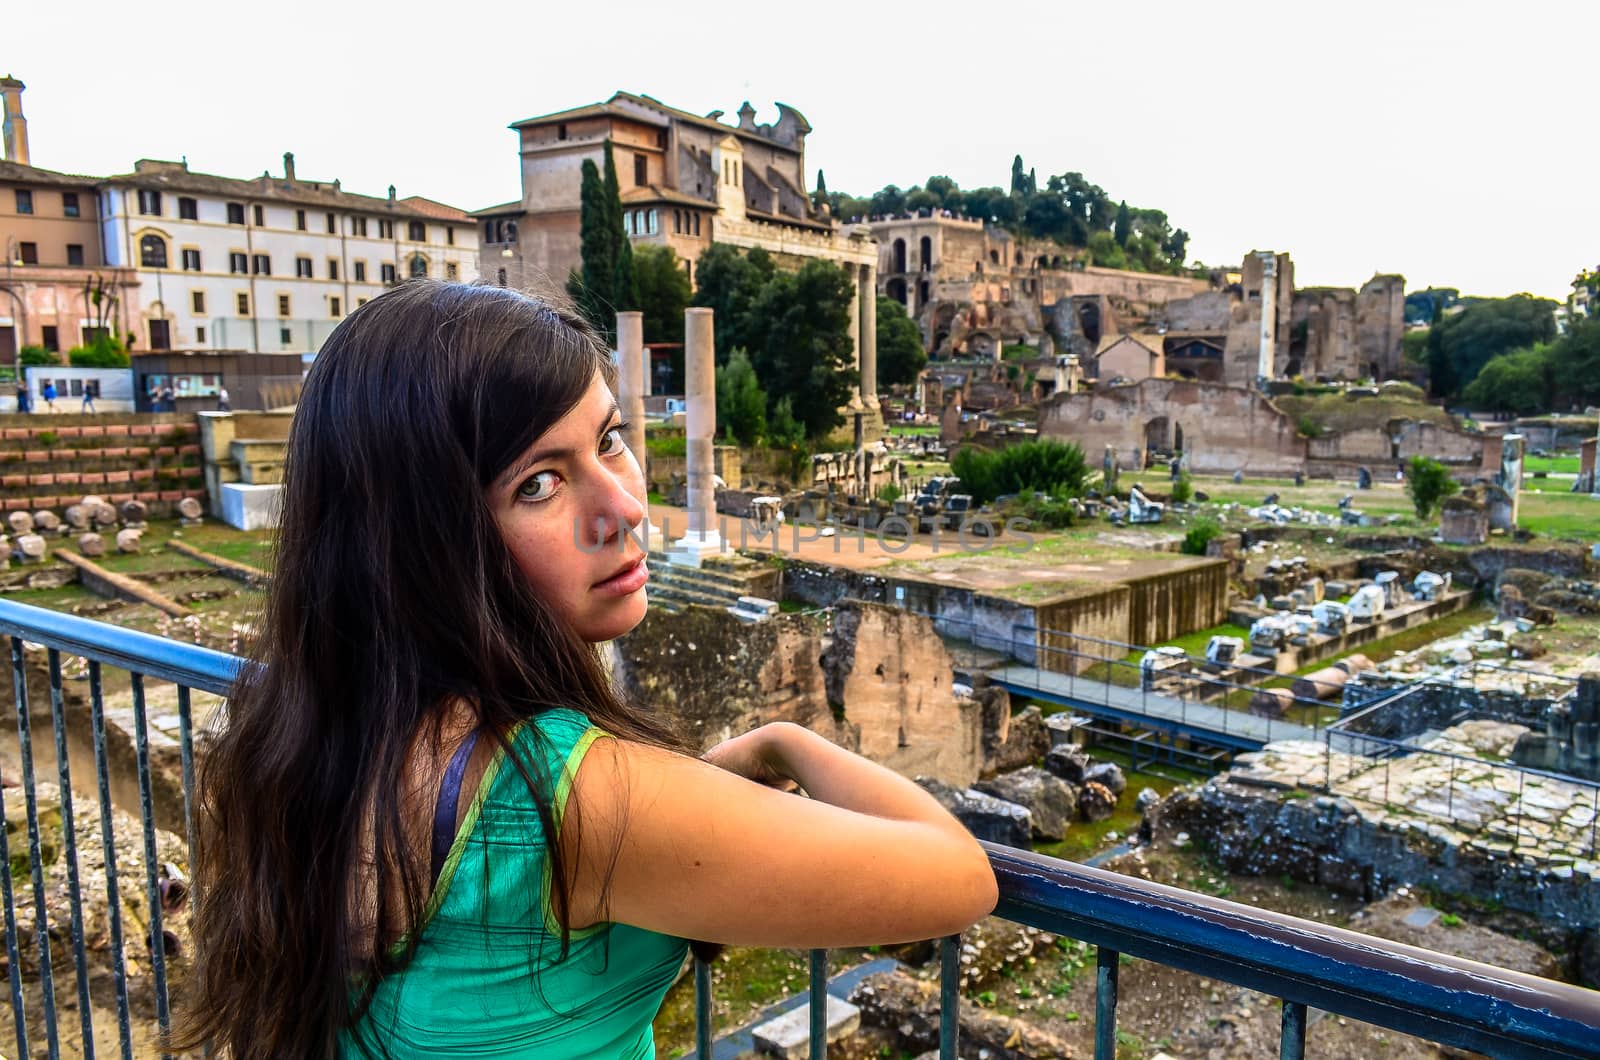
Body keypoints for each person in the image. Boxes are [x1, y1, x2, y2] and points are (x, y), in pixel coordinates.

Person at [175, 281, 996, 1060]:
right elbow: (958, 877)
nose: (626, 508)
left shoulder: (310, 725)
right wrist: (786, 743)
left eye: (610, 441)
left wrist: (698, 786)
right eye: (539, 484)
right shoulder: (576, 799)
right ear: (424, 543)